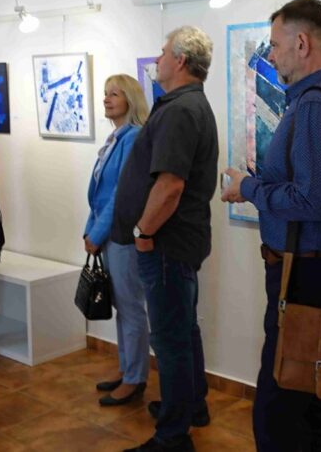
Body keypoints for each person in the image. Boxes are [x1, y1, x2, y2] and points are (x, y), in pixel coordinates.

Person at [221, 0, 321, 452]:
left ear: (301, 43)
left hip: (305, 273)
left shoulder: (315, 106)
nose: (271, 55)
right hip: (311, 268)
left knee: (279, 411)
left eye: (275, 44)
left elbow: (313, 200)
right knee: (307, 400)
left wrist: (249, 188)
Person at [112, 26, 219, 452]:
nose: (157, 59)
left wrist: (143, 232)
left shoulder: (180, 110)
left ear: (180, 60)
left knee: (171, 340)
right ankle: (192, 406)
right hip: (178, 243)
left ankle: (173, 435)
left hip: (165, 244)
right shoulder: (187, 104)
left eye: (162, 52)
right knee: (183, 330)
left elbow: (170, 186)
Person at [84, 74, 149, 406]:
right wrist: (90, 228)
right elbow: (100, 193)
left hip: (122, 235)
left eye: (115, 94)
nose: (107, 99)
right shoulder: (116, 137)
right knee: (122, 306)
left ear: (130, 100)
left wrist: (96, 233)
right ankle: (127, 369)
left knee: (130, 307)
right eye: (105, 93)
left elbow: (121, 194)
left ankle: (135, 378)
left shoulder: (134, 137)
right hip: (109, 233)